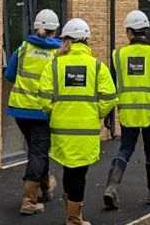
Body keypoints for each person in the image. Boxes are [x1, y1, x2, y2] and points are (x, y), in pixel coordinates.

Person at [37, 18, 117, 225]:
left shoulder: (54, 65)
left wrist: (57, 112)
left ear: (66, 40)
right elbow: (110, 98)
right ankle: (74, 218)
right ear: (86, 40)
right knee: (79, 175)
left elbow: (44, 99)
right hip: (86, 133)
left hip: (61, 131)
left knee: (68, 171)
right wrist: (95, 113)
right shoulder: (97, 66)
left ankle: (70, 216)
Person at [102, 9, 150, 209]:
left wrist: (109, 114)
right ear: (145, 32)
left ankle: (111, 189)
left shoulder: (118, 56)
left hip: (127, 114)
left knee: (124, 149)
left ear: (130, 32)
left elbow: (110, 88)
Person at [3, 9, 63, 215]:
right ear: (55, 31)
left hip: (20, 110)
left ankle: (45, 186)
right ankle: (29, 200)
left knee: (37, 149)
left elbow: (10, 75)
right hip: (42, 112)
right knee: (38, 152)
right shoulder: (59, 54)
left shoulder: (23, 48)